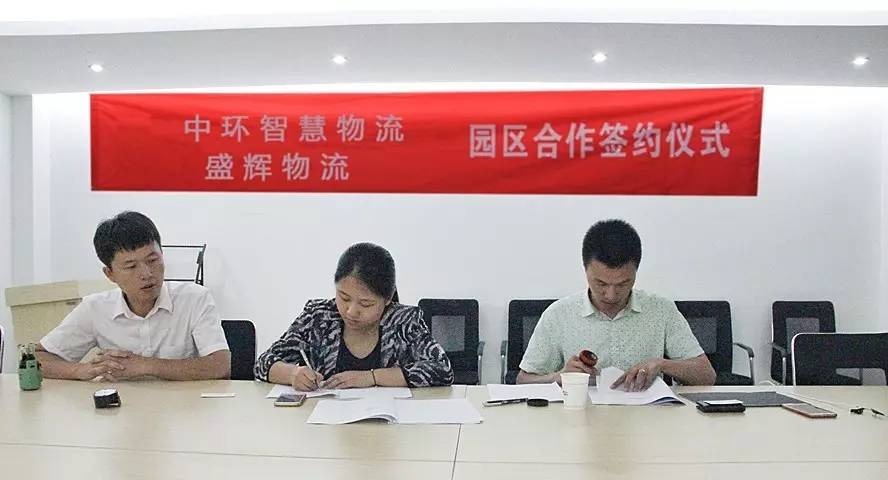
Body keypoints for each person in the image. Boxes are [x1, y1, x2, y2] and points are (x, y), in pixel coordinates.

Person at [517, 219, 715, 391]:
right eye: (601, 283)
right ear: (585, 269)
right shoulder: (559, 314)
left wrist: (662, 364)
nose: (611, 295)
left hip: (646, 417)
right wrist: (559, 377)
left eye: (622, 284)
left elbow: (707, 376)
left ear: (636, 271)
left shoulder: (661, 310)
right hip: (580, 415)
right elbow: (523, 380)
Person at [36, 211, 230, 381]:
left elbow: (221, 365)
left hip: (187, 406)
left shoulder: (194, 298)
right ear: (110, 274)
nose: (146, 273)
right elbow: (38, 358)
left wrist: (145, 365)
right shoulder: (95, 308)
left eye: (153, 260)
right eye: (131, 266)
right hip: (123, 407)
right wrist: (81, 370)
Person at [255, 242, 453, 390]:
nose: (351, 311)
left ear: (387, 299)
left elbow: (442, 370)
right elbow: (263, 363)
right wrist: (293, 374)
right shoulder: (318, 317)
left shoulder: (404, 322)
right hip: (324, 425)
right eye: (344, 297)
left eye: (365, 304)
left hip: (388, 426)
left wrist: (371, 377)